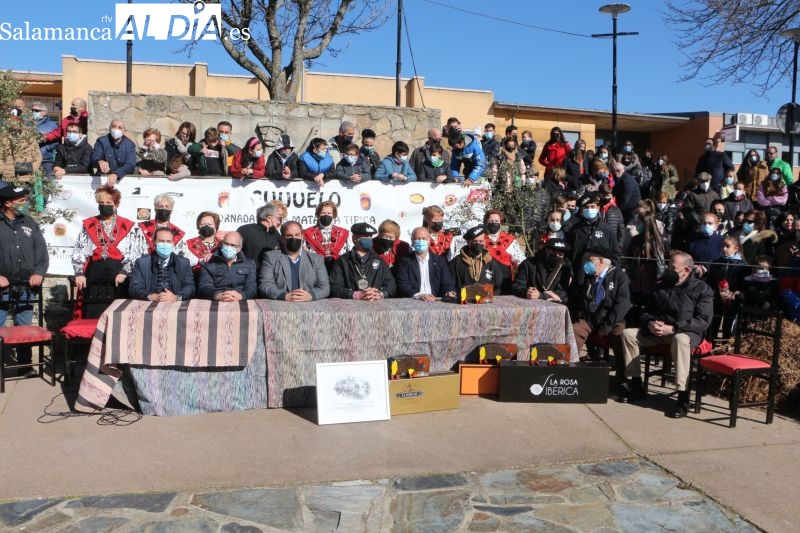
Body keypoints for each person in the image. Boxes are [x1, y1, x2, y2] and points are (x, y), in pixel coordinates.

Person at [621, 252, 713, 417]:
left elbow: (703, 320)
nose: (668, 269)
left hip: (685, 333)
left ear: (686, 270)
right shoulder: (661, 284)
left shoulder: (702, 289)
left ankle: (683, 396)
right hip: (658, 331)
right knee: (628, 334)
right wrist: (649, 322)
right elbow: (645, 311)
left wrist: (675, 328)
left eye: (672, 267)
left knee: (679, 339)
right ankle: (636, 385)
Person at [71, 185, 146, 316]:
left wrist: (125, 272)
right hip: (94, 276)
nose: (104, 205)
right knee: (93, 312)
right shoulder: (89, 224)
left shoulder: (130, 226)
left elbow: (138, 252)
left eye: (108, 203)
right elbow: (79, 249)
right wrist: (79, 272)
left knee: (117, 314)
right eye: (101, 203)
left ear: (116, 205)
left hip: (120, 278)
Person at [0, 187, 48, 378]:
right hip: (2, 287)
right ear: (8, 203)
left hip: (26, 286)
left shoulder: (30, 223)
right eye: (22, 201)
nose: (26, 204)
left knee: (24, 327)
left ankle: (25, 365)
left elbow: (42, 253)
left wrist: (38, 272)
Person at [570, 243, 631, 383]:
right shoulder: (590, 277)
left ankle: (622, 378)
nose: (587, 264)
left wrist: (607, 325)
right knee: (574, 330)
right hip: (592, 319)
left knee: (620, 335)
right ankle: (570, 373)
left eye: (590, 261)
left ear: (601, 262)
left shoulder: (619, 277)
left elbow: (622, 305)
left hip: (612, 320)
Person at [259, 221, 330, 301]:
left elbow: (324, 287)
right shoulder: (270, 257)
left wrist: (310, 296)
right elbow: (265, 285)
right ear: (282, 239)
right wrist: (284, 296)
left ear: (302, 236)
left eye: (297, 235)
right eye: (289, 236)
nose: (294, 238)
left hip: (309, 306)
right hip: (281, 305)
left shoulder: (316, 259)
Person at [566, 192, 620, 295]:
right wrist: (570, 273)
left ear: (598, 208)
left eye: (592, 206)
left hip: (601, 279)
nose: (590, 209)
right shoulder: (574, 230)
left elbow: (615, 255)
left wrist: (613, 275)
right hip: (578, 278)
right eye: (587, 207)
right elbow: (568, 254)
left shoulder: (607, 229)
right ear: (582, 209)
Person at [329, 222, 395, 300]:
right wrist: (355, 294)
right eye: (365, 236)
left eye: (370, 236)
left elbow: (391, 285)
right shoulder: (342, 261)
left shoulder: (379, 261)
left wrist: (380, 294)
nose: (369, 239)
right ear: (354, 238)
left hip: (375, 305)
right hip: (350, 308)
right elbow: (334, 287)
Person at [129, 227, 195, 302]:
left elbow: (190, 287)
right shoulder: (142, 263)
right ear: (154, 242)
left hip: (174, 305)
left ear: (173, 243)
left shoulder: (183, 263)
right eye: (161, 241)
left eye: (168, 241)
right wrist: (149, 296)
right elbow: (134, 287)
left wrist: (176, 297)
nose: (165, 244)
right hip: (150, 305)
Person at [394, 226, 456, 300]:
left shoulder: (440, 261)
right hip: (414, 301)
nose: (420, 241)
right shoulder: (405, 262)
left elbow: (447, 283)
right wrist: (419, 295)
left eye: (423, 239)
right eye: (417, 239)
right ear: (412, 241)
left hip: (435, 301)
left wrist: (449, 292)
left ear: (429, 241)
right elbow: (403, 285)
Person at [706, 235, 749, 339]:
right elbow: (709, 282)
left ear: (736, 248)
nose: (724, 249)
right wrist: (715, 293)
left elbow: (745, 285)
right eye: (722, 246)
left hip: (733, 301)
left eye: (727, 246)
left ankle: (725, 348)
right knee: (713, 325)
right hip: (717, 299)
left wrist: (737, 293)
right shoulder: (716, 263)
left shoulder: (744, 266)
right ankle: (710, 347)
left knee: (728, 326)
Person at [197, 231, 257, 301]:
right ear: (222, 244)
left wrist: (241, 296)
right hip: (216, 302)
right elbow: (204, 287)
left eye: (232, 245)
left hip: (240, 301)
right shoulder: (208, 263)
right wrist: (218, 295)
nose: (228, 247)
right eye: (226, 244)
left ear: (239, 248)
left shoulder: (249, 264)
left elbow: (252, 288)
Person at [512, 238, 571, 304]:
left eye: (560, 254)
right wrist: (527, 292)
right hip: (527, 303)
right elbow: (517, 286)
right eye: (553, 252)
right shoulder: (528, 264)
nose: (556, 256)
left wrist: (541, 296)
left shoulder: (564, 269)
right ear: (546, 250)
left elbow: (562, 293)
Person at [449, 225, 504, 294]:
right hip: (463, 303)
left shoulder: (492, 263)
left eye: (481, 241)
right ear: (468, 243)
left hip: (486, 302)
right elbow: (450, 286)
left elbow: (498, 287)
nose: (478, 244)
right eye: (475, 242)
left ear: (484, 242)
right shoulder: (456, 263)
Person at [482, 209, 525, 294]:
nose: (494, 223)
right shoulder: (480, 240)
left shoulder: (509, 240)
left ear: (500, 223)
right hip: (486, 281)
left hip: (506, 281)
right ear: (486, 222)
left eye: (496, 221)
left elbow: (521, 260)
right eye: (491, 221)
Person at [303, 201, 350, 271]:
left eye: (329, 213)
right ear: (318, 215)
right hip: (316, 269)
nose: (326, 215)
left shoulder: (343, 233)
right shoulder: (307, 233)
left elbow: (347, 254)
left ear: (333, 215)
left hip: (338, 270)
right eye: (323, 213)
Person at [91, 119, 137, 185]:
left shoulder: (130, 145)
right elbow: (95, 157)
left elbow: (131, 164)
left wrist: (116, 174)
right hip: (103, 179)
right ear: (110, 128)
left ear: (124, 131)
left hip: (122, 180)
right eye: (114, 126)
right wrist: (100, 161)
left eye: (120, 127)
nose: (116, 129)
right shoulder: (101, 141)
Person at [237, 203, 282, 267]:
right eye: (278, 218)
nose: (279, 222)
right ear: (269, 218)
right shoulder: (246, 230)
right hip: (248, 273)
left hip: (268, 274)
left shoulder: (275, 233)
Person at [688, 212, 724, 278]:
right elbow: (687, 257)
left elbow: (722, 261)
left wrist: (707, 267)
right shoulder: (693, 239)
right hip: (695, 276)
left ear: (716, 226)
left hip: (713, 277)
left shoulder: (721, 240)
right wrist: (694, 266)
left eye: (710, 223)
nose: (706, 225)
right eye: (704, 223)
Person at [31, 102, 58, 178]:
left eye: (36, 110)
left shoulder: (52, 125)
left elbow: (56, 142)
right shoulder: (28, 124)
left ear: (44, 112)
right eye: (32, 110)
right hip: (31, 160)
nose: (33, 112)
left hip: (46, 160)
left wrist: (46, 148)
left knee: (47, 183)